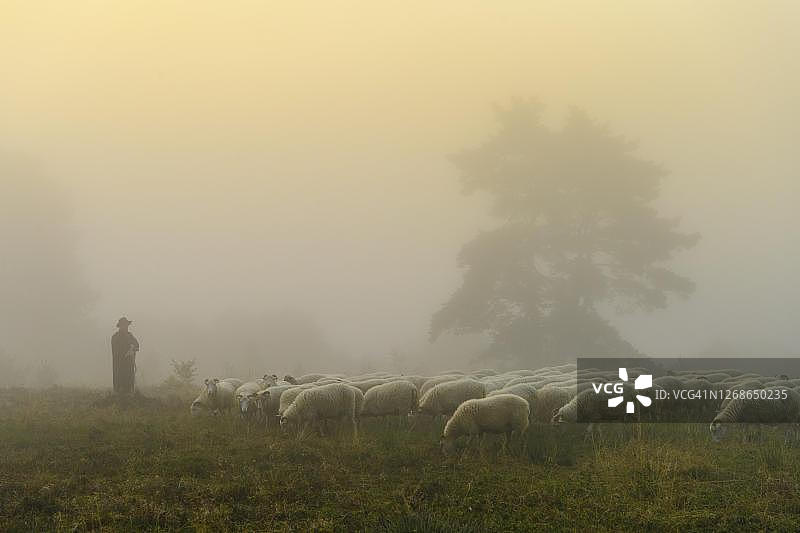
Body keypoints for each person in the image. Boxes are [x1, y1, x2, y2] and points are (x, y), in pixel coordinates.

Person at [112, 317, 139, 394]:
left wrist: (132, 349)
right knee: (119, 381)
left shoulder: (130, 336)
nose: (125, 327)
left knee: (129, 381)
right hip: (119, 364)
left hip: (129, 364)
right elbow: (116, 350)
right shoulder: (115, 337)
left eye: (126, 325)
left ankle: (129, 393)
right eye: (124, 325)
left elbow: (137, 345)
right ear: (120, 326)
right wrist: (126, 352)